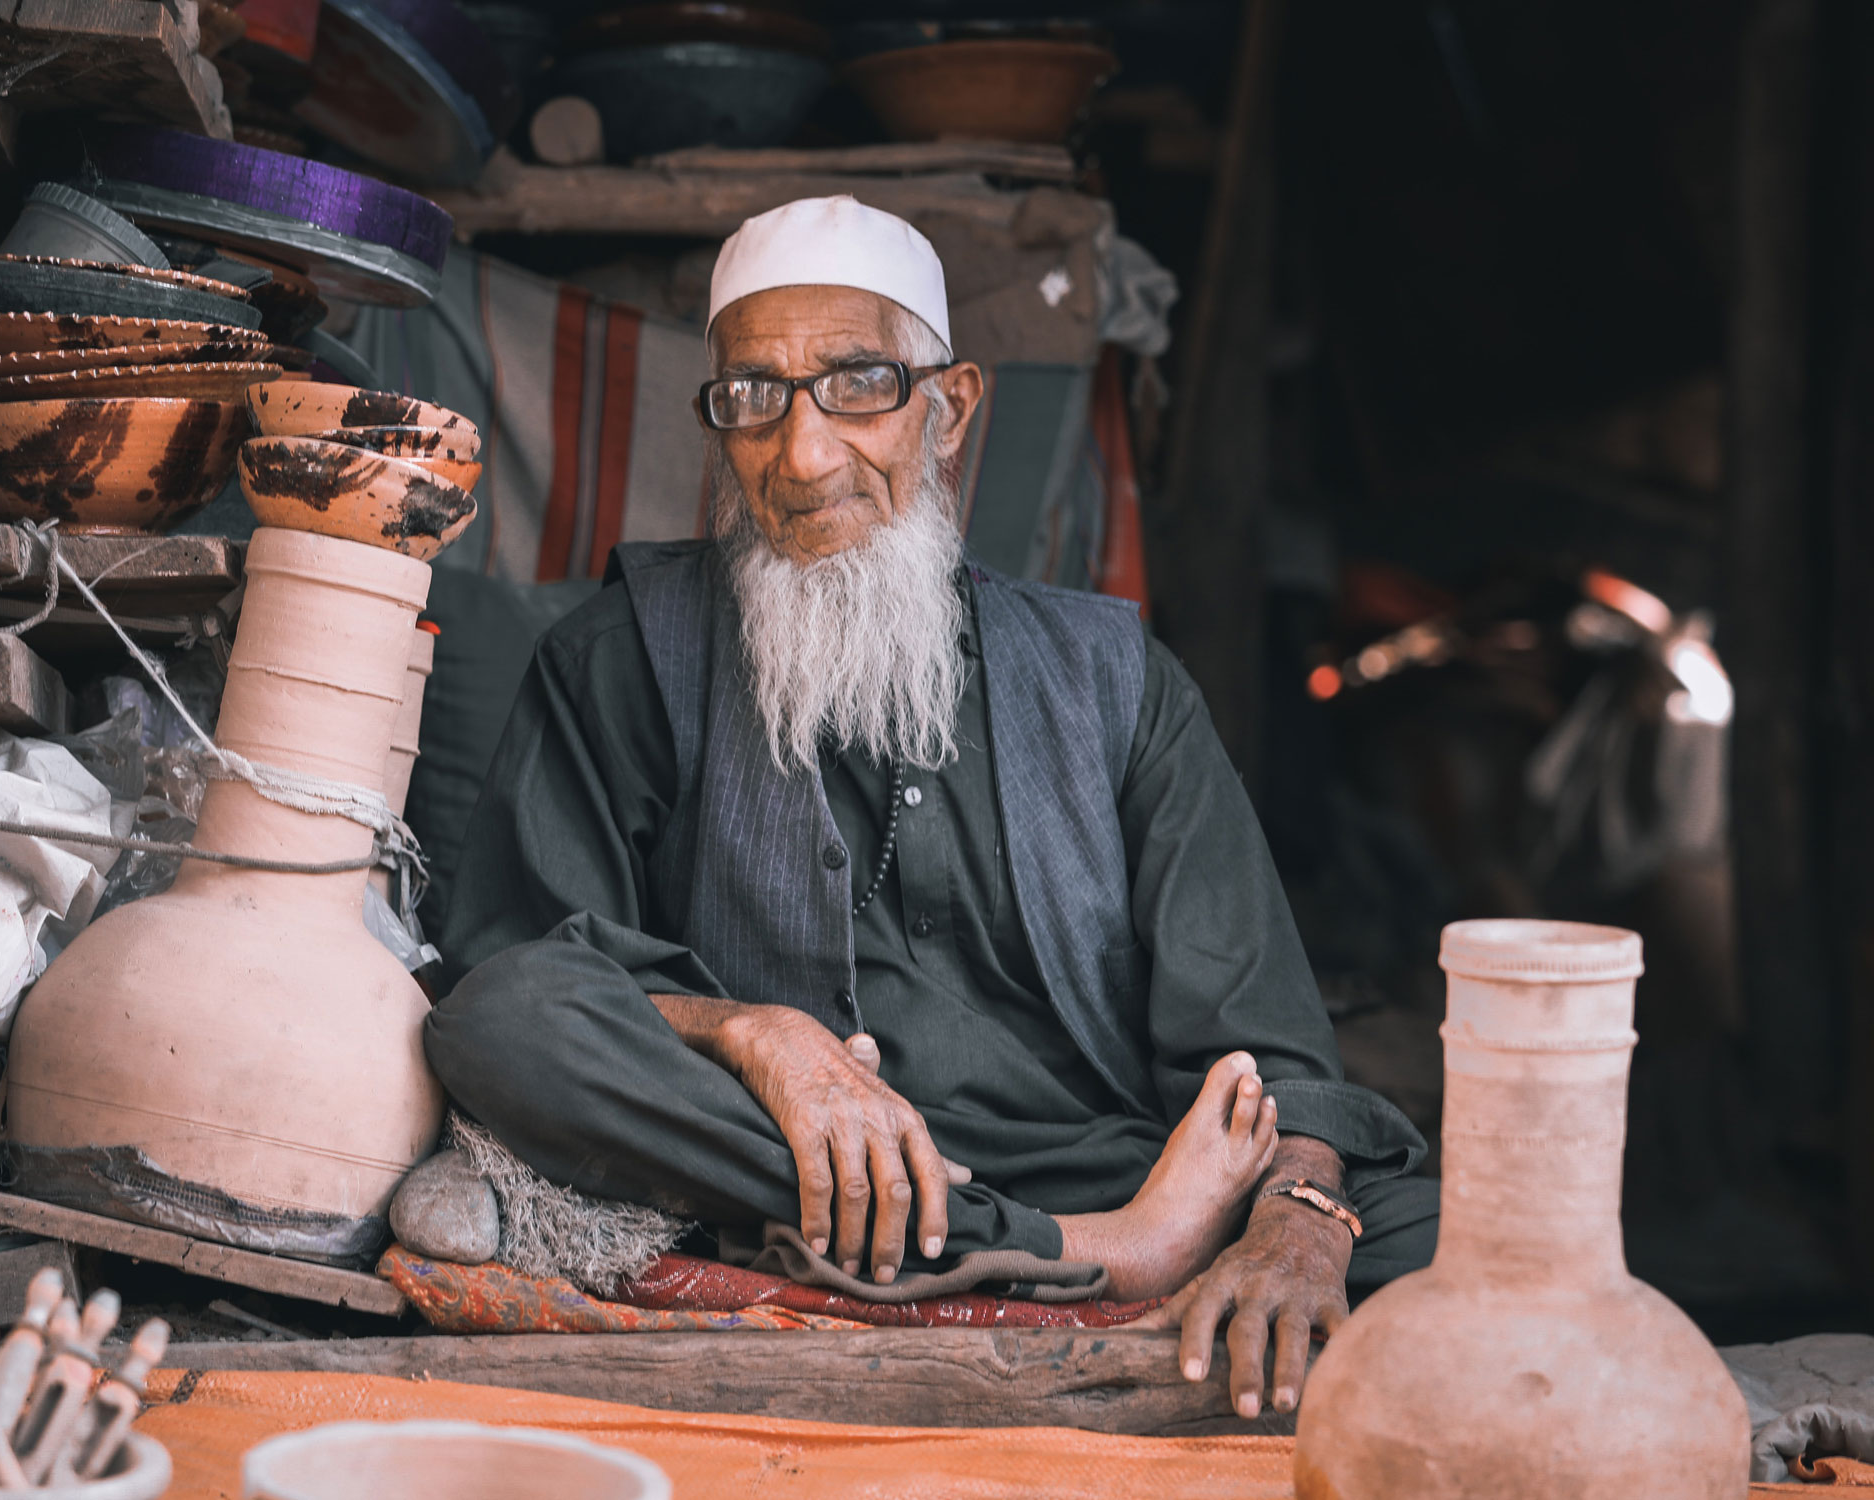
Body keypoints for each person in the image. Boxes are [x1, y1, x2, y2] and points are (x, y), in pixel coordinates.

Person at [430, 196, 1436, 1416]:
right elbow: (521, 974)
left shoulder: (1114, 682)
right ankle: (1103, 1258)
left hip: (1107, 1154)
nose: (801, 456)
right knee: (496, 1024)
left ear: (948, 409)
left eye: (857, 385)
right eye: (752, 396)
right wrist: (756, 1036)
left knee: (1445, 1244)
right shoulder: (622, 657)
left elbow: (1270, 1060)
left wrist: (1300, 1221)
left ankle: (1053, 1239)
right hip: (780, 1156)